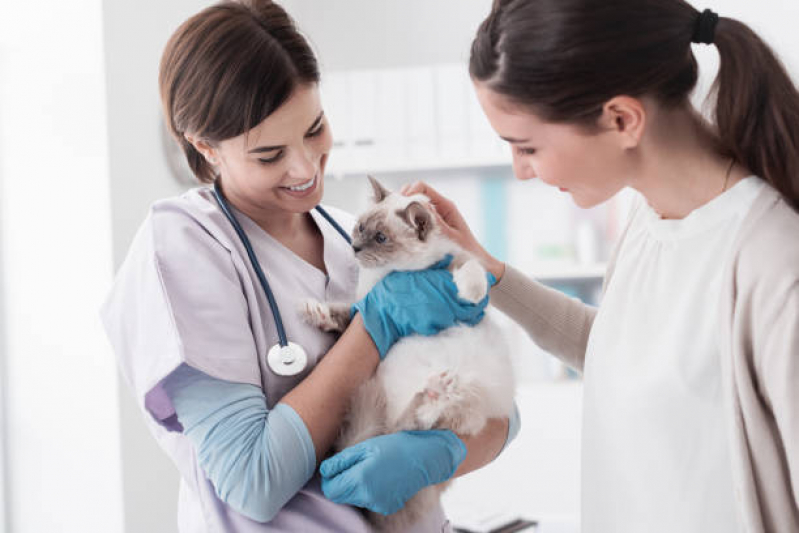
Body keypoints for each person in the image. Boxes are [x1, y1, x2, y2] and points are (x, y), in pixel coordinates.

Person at [99, 1, 520, 531]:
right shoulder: (185, 246)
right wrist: (374, 325)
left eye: (315, 128)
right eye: (270, 154)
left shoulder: (356, 236)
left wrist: (442, 453)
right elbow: (252, 481)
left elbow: (504, 414)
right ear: (206, 147)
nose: (304, 167)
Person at [398, 1, 799, 531]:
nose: (522, 171)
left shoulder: (773, 262)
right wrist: (480, 266)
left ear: (621, 119)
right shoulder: (649, 218)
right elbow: (620, 352)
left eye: (528, 146)